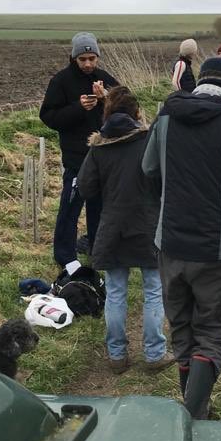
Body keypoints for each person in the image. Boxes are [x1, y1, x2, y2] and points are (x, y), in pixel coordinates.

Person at [142, 55, 221, 419]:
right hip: (217, 249)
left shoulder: (165, 116)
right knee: (211, 333)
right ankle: (195, 416)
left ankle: (196, 409)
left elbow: (148, 168)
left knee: (183, 330)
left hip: (171, 245)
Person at [77, 87, 173, 375]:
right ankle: (155, 354)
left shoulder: (98, 148)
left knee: (116, 292)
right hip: (147, 225)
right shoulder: (148, 142)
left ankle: (117, 355)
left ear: (107, 114)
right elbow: (163, 179)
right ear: (136, 114)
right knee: (154, 291)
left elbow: (85, 187)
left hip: (113, 228)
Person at [40, 32, 118, 273]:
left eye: (92, 58)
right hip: (75, 158)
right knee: (70, 206)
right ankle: (64, 254)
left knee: (99, 207)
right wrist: (78, 108)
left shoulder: (105, 80)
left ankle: (98, 250)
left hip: (103, 156)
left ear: (97, 57)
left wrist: (107, 99)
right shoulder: (61, 82)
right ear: (74, 57)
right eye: (83, 58)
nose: (87, 64)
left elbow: (125, 110)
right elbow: (48, 116)